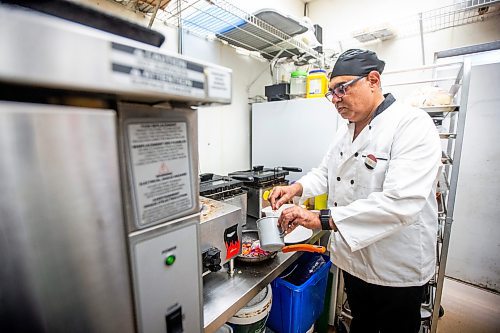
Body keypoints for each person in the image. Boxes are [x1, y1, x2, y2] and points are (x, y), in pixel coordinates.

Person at [268, 49, 442, 333]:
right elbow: (326, 172)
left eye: (342, 88)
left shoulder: (411, 124)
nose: (335, 99)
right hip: (354, 258)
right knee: (360, 322)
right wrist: (296, 187)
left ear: (373, 80)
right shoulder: (345, 130)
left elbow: (401, 203)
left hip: (395, 267)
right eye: (331, 92)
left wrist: (321, 219)